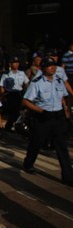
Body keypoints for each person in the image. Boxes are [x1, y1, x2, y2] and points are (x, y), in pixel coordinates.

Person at [22, 57, 73, 185]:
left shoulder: (59, 81)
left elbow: (62, 97)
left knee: (62, 146)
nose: (53, 68)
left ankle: (67, 176)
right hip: (43, 117)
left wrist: (65, 110)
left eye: (54, 65)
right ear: (43, 68)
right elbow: (25, 101)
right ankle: (28, 164)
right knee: (36, 142)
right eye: (49, 66)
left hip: (58, 116)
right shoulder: (37, 83)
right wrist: (40, 111)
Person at [0, 56, 30, 132]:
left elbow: (27, 83)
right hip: (10, 94)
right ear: (10, 64)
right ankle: (9, 126)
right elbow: (1, 87)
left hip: (19, 94)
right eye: (14, 63)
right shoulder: (6, 74)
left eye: (17, 63)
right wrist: (2, 96)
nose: (16, 64)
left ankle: (12, 126)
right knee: (14, 112)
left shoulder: (22, 73)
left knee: (19, 111)